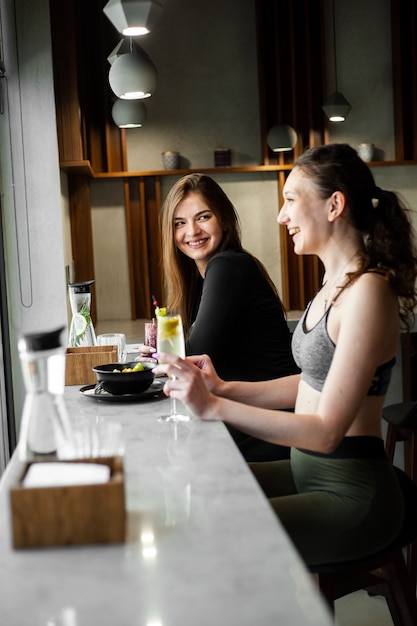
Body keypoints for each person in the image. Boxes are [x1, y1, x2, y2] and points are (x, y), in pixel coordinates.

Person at [154, 143, 417, 567]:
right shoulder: (334, 285)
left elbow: (327, 431)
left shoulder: (368, 291)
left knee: (212, 530)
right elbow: (311, 383)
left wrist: (215, 406)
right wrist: (224, 387)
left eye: (291, 200)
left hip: (350, 493)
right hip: (304, 472)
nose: (282, 216)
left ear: (334, 205)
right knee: (195, 487)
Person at [158, 173, 300, 462]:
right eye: (180, 223)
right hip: (254, 418)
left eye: (203, 217)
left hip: (271, 427)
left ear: (223, 219)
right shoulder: (205, 276)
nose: (192, 231)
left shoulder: (227, 266)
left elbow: (193, 358)